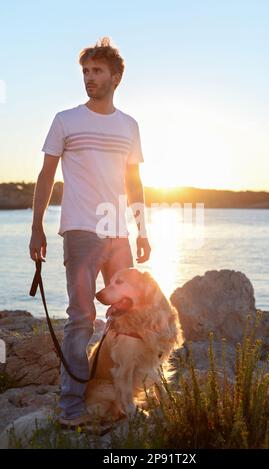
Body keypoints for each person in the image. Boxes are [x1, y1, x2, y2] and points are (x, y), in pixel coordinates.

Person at [29, 37, 151, 427]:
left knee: (126, 317)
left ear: (115, 77)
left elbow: (135, 183)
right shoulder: (66, 119)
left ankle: (123, 398)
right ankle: (70, 408)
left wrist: (142, 230)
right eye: (85, 71)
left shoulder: (129, 125)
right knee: (82, 318)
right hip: (81, 231)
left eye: (97, 71)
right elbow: (46, 175)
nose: (89, 78)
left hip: (119, 235)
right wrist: (37, 227)